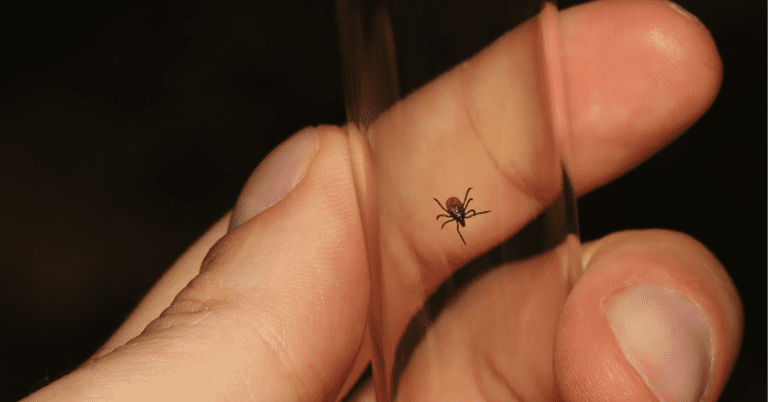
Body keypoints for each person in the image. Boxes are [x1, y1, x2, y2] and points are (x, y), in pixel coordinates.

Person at [23, 1, 742, 401]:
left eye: (458, 212)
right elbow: (452, 207)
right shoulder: (444, 200)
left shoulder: (456, 203)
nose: (459, 213)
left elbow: (455, 206)